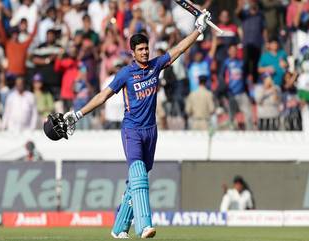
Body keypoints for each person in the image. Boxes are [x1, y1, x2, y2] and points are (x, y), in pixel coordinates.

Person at [63, 10, 212, 239]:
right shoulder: (126, 73)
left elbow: (180, 48)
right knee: (139, 175)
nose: (144, 52)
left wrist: (199, 29)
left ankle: (118, 227)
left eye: (146, 49)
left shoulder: (155, 66)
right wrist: (78, 114)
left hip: (151, 131)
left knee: (136, 182)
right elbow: (103, 96)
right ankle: (144, 226)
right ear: (132, 53)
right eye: (140, 50)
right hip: (131, 130)